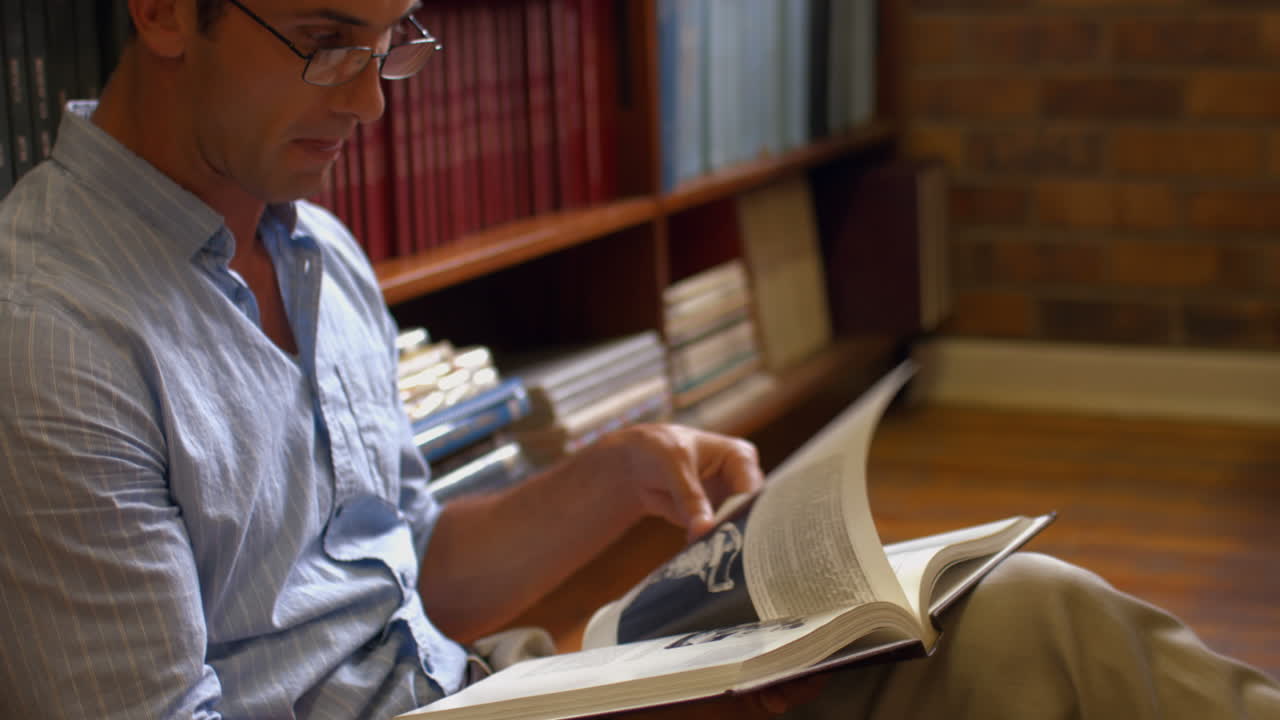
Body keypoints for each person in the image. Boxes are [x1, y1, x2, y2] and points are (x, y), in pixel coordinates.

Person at [0, 1, 1275, 718]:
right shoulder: (54, 337)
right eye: (328, 40)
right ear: (161, 9)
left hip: (483, 689)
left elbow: (403, 566)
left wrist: (614, 476)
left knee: (1020, 611)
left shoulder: (317, 249)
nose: (372, 100)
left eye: (393, 43)